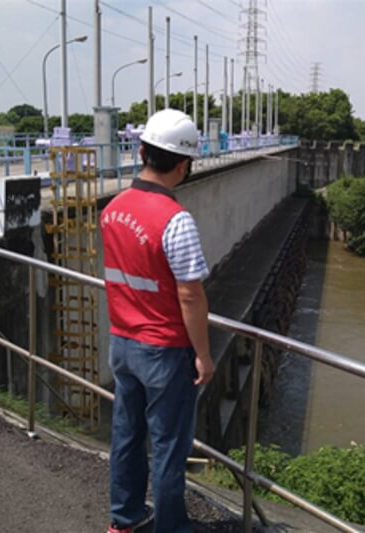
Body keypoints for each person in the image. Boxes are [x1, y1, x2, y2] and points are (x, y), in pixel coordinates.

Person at [101, 109, 215, 533]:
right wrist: (203, 355)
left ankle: (124, 520)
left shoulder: (112, 210)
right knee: (169, 446)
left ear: (142, 150)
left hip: (122, 342)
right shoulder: (176, 221)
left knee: (127, 435)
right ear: (184, 165)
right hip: (164, 350)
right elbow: (189, 293)